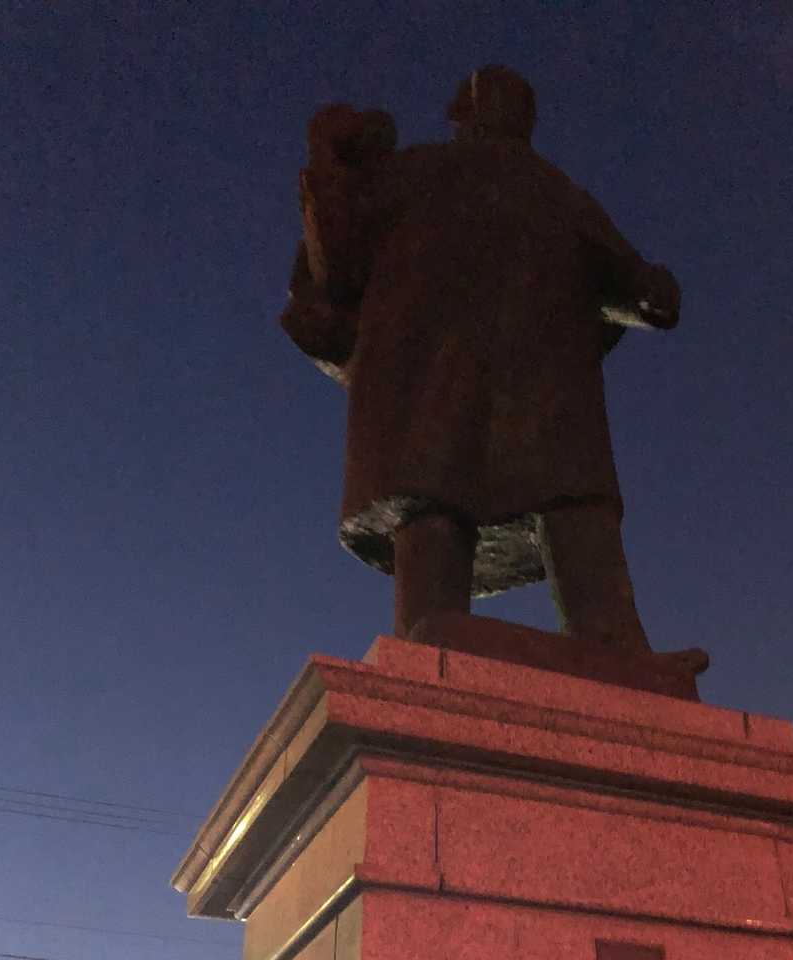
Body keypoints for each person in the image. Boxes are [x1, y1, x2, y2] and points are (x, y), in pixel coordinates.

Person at [283, 66, 682, 652]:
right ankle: (448, 636)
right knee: (458, 502)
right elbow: (341, 254)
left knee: (538, 503)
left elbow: (626, 277)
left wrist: (330, 162)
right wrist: (330, 161)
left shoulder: (526, 186)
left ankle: (605, 641)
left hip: (503, 385)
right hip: (488, 383)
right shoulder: (480, 179)